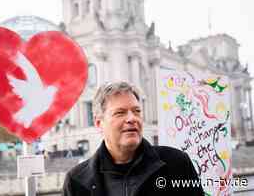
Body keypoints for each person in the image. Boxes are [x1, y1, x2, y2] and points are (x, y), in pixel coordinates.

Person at [62, 82, 204, 196]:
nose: (132, 118)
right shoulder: (76, 181)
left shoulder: (177, 163)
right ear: (99, 123)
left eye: (136, 111)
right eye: (120, 113)